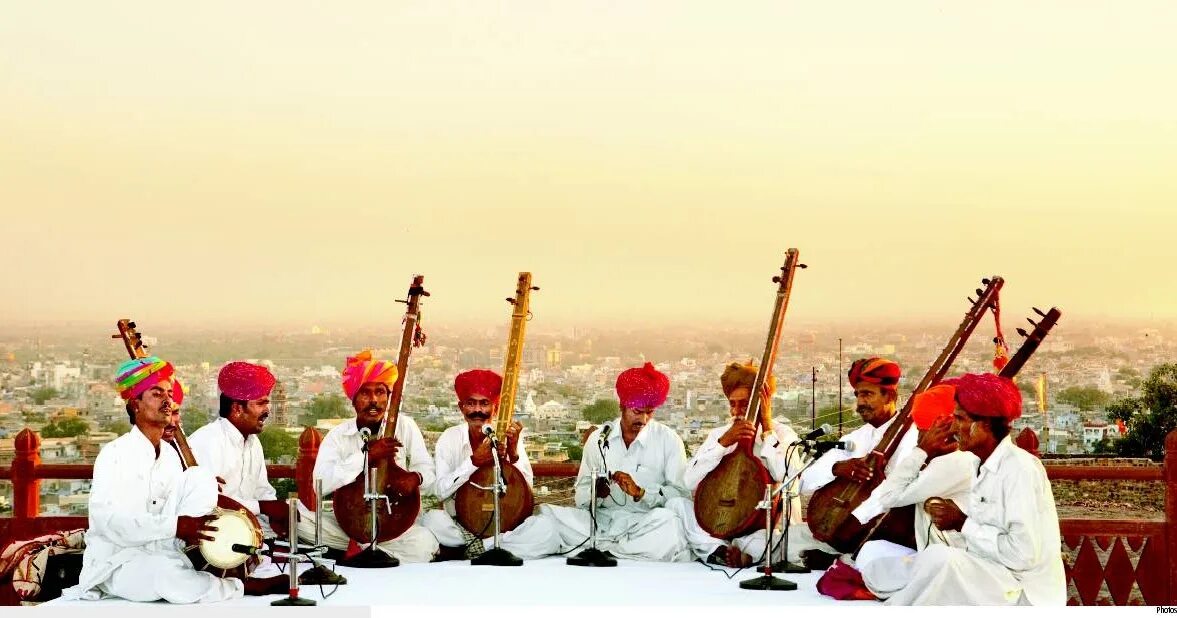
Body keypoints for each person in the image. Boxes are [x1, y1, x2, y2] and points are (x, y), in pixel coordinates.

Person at [62, 357, 282, 602]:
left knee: (200, 477)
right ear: (135, 404)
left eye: (169, 394)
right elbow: (110, 523)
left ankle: (205, 566)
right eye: (157, 394)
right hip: (119, 563)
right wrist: (177, 526)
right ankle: (240, 588)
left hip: (166, 552)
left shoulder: (168, 456)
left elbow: (184, 503)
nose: (167, 401)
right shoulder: (115, 454)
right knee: (167, 577)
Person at [875, 373, 1065, 605]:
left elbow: (1023, 555)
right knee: (930, 562)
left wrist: (962, 523)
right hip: (991, 576)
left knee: (942, 562)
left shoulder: (1019, 469)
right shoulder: (978, 463)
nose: (953, 427)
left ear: (984, 425)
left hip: (1023, 592)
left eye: (960, 419)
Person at [295, 351, 439, 562]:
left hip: (394, 529)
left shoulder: (405, 426)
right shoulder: (339, 435)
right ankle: (367, 549)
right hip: (348, 526)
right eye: (365, 393)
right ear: (354, 400)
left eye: (380, 393)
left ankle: (357, 552)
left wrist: (415, 478)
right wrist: (366, 457)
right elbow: (320, 484)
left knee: (426, 541)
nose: (374, 400)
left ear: (388, 398)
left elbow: (428, 470)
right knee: (300, 523)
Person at [541, 363, 690, 562]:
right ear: (622, 406)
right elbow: (581, 496)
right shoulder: (598, 439)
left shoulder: (669, 440)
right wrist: (597, 493)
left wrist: (641, 492)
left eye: (650, 412)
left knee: (671, 526)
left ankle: (606, 550)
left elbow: (680, 496)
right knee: (549, 517)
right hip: (601, 522)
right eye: (637, 411)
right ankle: (620, 549)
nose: (644, 420)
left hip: (644, 524)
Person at [667, 361, 803, 567]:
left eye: (745, 404)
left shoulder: (783, 434)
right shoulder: (719, 435)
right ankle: (720, 550)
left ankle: (745, 551)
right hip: (721, 523)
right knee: (676, 505)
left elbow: (788, 476)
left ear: (761, 404)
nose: (737, 411)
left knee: (787, 540)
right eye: (733, 404)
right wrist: (723, 444)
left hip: (765, 527)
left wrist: (766, 429)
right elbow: (688, 481)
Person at [420, 369, 559, 559]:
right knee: (432, 521)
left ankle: (476, 548)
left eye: (484, 403)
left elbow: (528, 491)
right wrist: (473, 462)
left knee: (546, 530)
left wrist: (513, 454)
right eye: (471, 403)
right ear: (461, 408)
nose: (478, 410)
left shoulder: (509, 436)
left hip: (508, 525)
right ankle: (493, 549)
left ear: (495, 407)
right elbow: (438, 492)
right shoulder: (449, 438)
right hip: (461, 525)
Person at [189, 361, 288, 539]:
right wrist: (263, 507)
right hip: (216, 535)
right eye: (261, 404)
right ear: (237, 409)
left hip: (253, 529)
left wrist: (276, 515)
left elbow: (263, 491)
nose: (268, 410)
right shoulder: (206, 442)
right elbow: (207, 502)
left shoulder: (253, 442)